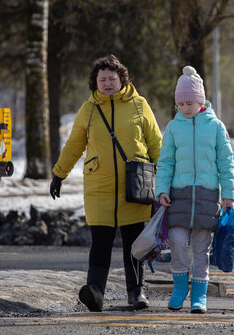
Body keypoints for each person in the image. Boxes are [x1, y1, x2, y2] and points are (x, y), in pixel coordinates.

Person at [49, 55, 162, 312]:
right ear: (95, 82)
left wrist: (165, 178)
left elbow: (156, 143)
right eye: (103, 79)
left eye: (112, 78)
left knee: (135, 242)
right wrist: (59, 174)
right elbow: (74, 145)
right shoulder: (87, 110)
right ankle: (95, 291)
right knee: (100, 240)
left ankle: (136, 292)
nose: (108, 83)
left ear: (122, 79)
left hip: (135, 186)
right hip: (99, 187)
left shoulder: (139, 105)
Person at [157, 66, 234, 313]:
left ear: (200, 101)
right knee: (178, 242)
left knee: (201, 248)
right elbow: (166, 162)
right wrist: (161, 190)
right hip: (178, 197)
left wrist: (229, 194)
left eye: (190, 102)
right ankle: (180, 288)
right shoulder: (173, 127)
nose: (185, 108)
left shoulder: (215, 127)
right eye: (181, 103)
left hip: (206, 198)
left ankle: (199, 295)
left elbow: (226, 162)